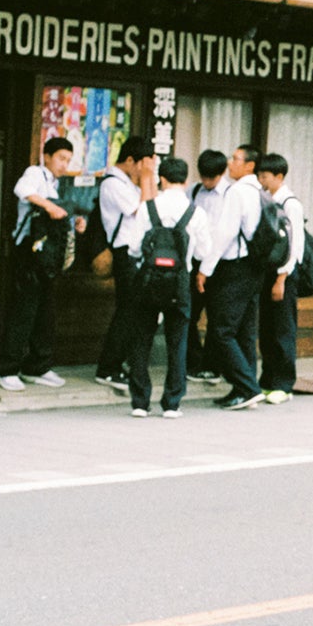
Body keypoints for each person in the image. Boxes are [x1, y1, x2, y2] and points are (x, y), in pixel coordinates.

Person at [127, 157, 209, 418]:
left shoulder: (147, 208)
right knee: (178, 340)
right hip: (179, 282)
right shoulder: (196, 212)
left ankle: (140, 402)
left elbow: (134, 248)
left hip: (149, 280)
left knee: (141, 338)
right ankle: (172, 402)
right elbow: (205, 251)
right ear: (185, 181)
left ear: (161, 179)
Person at [0, 137, 74, 392]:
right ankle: (6, 369)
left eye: (68, 160)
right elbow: (22, 190)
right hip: (28, 252)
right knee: (24, 311)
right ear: (46, 156)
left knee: (44, 312)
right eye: (61, 158)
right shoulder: (35, 173)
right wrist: (49, 206)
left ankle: (37, 365)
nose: (64, 164)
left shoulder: (54, 183)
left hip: (46, 256)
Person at [196, 144, 265, 410]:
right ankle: (242, 388)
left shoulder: (237, 192)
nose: (230, 163)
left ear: (249, 165)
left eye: (235, 159)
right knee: (245, 331)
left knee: (222, 331)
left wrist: (205, 269)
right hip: (253, 268)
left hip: (234, 268)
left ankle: (248, 387)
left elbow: (224, 233)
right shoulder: (259, 191)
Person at [93, 139, 158, 391]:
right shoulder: (112, 184)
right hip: (125, 255)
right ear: (130, 160)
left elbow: (152, 208)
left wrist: (148, 177)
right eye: (143, 164)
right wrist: (145, 179)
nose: (144, 170)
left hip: (137, 255)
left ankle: (122, 363)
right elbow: (141, 211)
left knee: (134, 312)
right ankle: (108, 367)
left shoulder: (127, 183)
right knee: (127, 312)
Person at [255, 153, 305, 405]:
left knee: (282, 329)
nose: (262, 180)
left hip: (283, 273)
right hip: (267, 272)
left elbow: (295, 246)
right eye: (260, 176)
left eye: (265, 176)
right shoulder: (268, 199)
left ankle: (284, 384)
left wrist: (282, 278)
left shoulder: (290, 204)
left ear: (279, 177)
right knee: (267, 328)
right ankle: (268, 379)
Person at [186, 149, 230, 384]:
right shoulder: (193, 191)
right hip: (195, 261)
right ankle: (193, 362)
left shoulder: (231, 194)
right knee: (189, 313)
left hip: (221, 262)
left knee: (217, 316)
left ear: (222, 173)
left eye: (211, 178)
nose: (206, 182)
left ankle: (212, 366)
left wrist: (208, 268)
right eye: (203, 176)